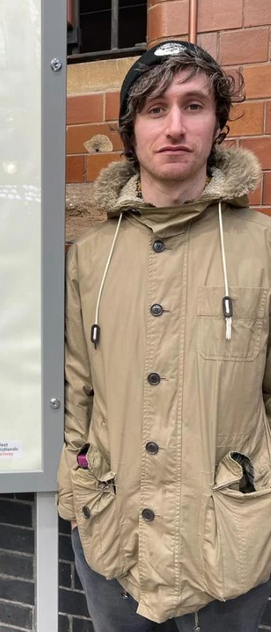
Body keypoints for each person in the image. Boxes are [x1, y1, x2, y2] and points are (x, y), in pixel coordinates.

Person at [57, 40, 271, 632]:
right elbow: (79, 391)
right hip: (112, 533)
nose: (174, 126)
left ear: (217, 123)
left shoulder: (262, 248)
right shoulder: (91, 258)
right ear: (131, 130)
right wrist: (76, 493)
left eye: (194, 105)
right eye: (155, 108)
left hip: (227, 541)